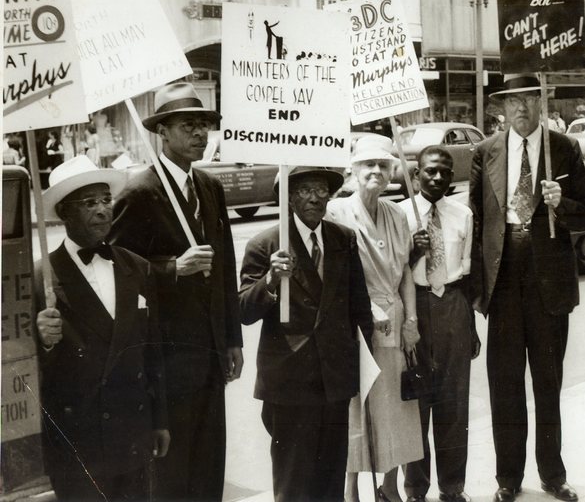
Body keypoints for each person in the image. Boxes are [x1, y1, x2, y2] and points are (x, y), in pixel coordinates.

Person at [109, 82, 243, 501]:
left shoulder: (210, 187)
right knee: (173, 467)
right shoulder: (140, 192)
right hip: (167, 356)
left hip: (210, 352)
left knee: (210, 461)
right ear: (162, 132)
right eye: (189, 126)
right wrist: (172, 269)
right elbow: (118, 271)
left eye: (204, 125)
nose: (200, 134)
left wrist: (233, 338)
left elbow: (225, 268)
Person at [469, 73, 585, 502]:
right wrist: (476, 290)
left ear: (540, 103)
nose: (520, 109)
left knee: (548, 384)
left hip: (549, 286)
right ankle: (508, 479)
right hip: (504, 284)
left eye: (528, 99)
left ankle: (553, 475)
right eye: (511, 102)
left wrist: (564, 202)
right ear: (500, 109)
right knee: (504, 386)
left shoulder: (565, 148)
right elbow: (477, 223)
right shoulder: (485, 152)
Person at [34, 156, 170, 501]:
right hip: (78, 441)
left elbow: (153, 352)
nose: (101, 210)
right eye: (88, 203)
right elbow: (16, 371)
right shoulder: (41, 278)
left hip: (133, 432)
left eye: (106, 200)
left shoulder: (136, 267)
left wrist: (160, 420)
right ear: (64, 213)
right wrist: (43, 342)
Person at [239, 166, 374, 502]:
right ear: (287, 197)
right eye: (304, 190)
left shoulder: (343, 238)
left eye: (321, 189)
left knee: (331, 477)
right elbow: (243, 310)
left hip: (334, 378)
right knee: (294, 480)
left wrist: (363, 364)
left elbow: (359, 305)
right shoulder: (265, 244)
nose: (315, 197)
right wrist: (270, 280)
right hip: (290, 382)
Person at [326, 135, 423, 502]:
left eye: (383, 165)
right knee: (356, 410)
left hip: (396, 324)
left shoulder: (398, 214)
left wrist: (412, 320)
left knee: (396, 407)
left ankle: (389, 487)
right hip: (357, 324)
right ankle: (350, 491)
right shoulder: (336, 212)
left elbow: (405, 275)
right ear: (353, 170)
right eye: (368, 165)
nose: (376, 172)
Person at [399, 146, 479, 502]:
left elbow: (468, 269)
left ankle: (452, 487)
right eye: (430, 171)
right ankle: (416, 488)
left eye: (444, 172)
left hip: (452, 305)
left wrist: (471, 325)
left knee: (454, 403)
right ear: (416, 175)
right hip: (414, 306)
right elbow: (393, 271)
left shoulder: (463, 214)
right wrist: (413, 251)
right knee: (415, 403)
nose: (437, 178)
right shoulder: (400, 214)